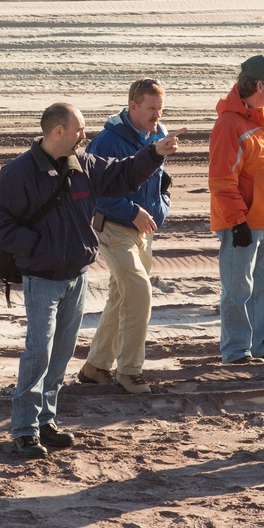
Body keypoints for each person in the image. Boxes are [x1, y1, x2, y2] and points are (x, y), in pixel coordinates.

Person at [0, 102, 183, 459]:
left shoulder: (85, 166)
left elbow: (124, 174)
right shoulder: (18, 172)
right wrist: (38, 248)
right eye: (79, 129)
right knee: (38, 352)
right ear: (57, 131)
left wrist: (154, 152)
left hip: (76, 276)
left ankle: (47, 421)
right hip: (41, 278)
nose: (84, 135)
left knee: (60, 354)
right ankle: (25, 429)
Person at [77, 78, 175, 395]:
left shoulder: (158, 134)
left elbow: (161, 181)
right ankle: (129, 371)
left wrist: (162, 205)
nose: (157, 115)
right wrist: (132, 211)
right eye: (151, 109)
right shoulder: (106, 142)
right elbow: (93, 192)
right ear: (133, 106)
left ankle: (96, 367)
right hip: (112, 228)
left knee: (122, 298)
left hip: (143, 232)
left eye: (160, 109)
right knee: (139, 292)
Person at [209, 54, 264, 365]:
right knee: (237, 290)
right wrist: (237, 221)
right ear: (259, 85)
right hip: (242, 223)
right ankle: (235, 351)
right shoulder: (229, 123)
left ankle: (261, 346)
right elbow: (221, 179)